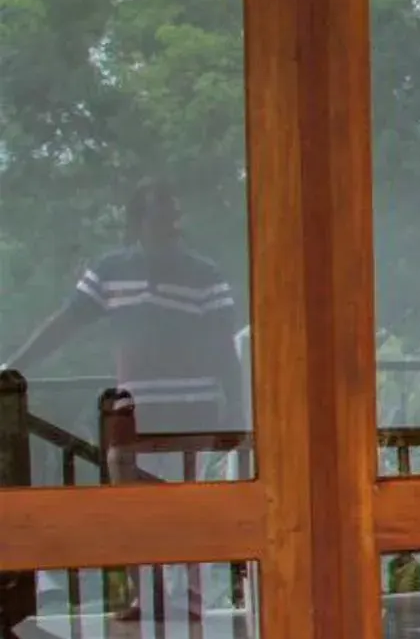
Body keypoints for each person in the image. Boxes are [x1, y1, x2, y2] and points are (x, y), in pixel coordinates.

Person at [2, 184, 245, 470]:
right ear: (139, 224)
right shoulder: (111, 270)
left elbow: (224, 346)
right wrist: (12, 368)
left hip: (192, 410)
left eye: (175, 218)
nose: (173, 228)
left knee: (183, 501)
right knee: (126, 486)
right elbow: (64, 323)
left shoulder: (205, 274)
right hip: (135, 410)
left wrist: (235, 406)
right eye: (162, 219)